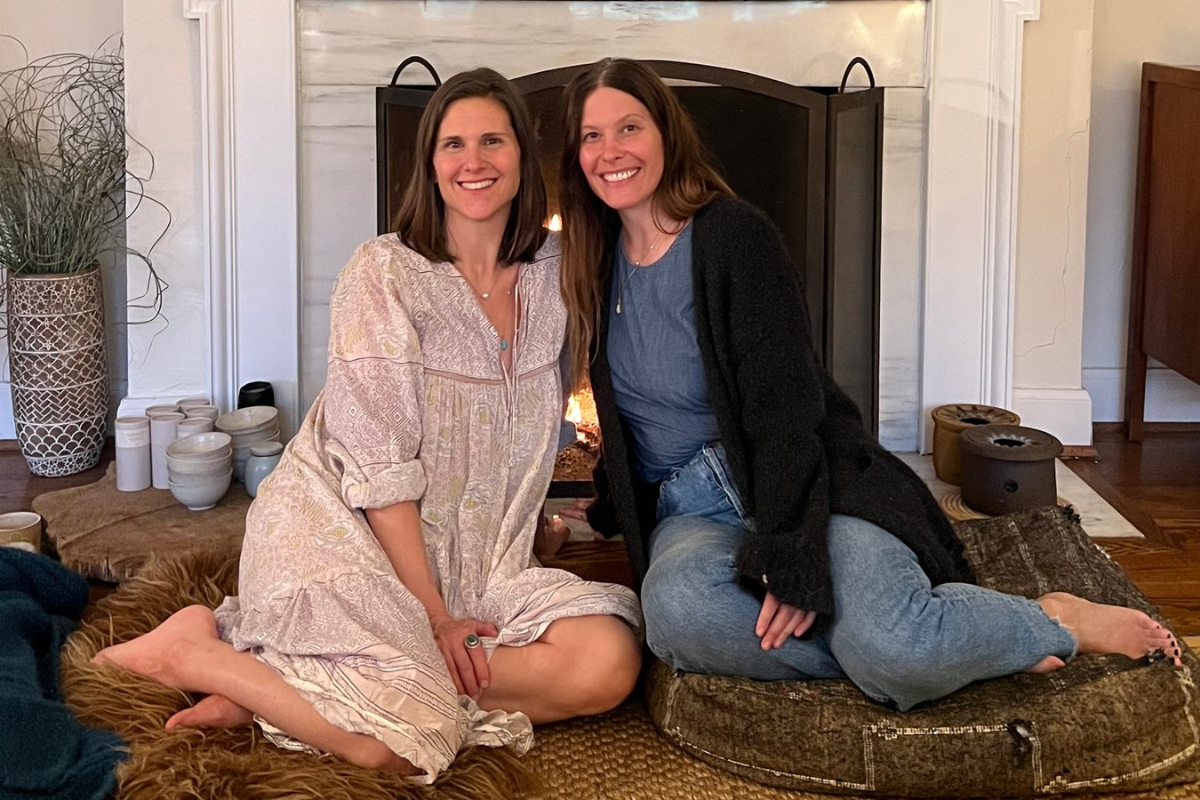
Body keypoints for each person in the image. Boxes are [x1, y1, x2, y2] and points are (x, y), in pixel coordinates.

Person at [554, 57, 1180, 713]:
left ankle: (1046, 619)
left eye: (629, 127)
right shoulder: (592, 261)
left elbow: (784, 410)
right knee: (675, 614)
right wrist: (608, 502)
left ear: (666, 133)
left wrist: (792, 554)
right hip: (692, 511)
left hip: (808, 484)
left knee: (892, 646)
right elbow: (633, 413)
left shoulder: (731, 236)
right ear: (574, 156)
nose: (610, 150)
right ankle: (908, 643)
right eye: (592, 136)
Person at [93, 68, 642, 782]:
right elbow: (377, 472)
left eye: (492, 141)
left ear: (520, 155)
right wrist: (436, 617)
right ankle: (197, 655)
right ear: (430, 164)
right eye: (452, 145)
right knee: (396, 748)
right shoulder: (384, 272)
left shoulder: (557, 272)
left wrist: (526, 519)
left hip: (485, 563)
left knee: (608, 662)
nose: (473, 161)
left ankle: (286, 687)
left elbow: (519, 430)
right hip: (348, 531)